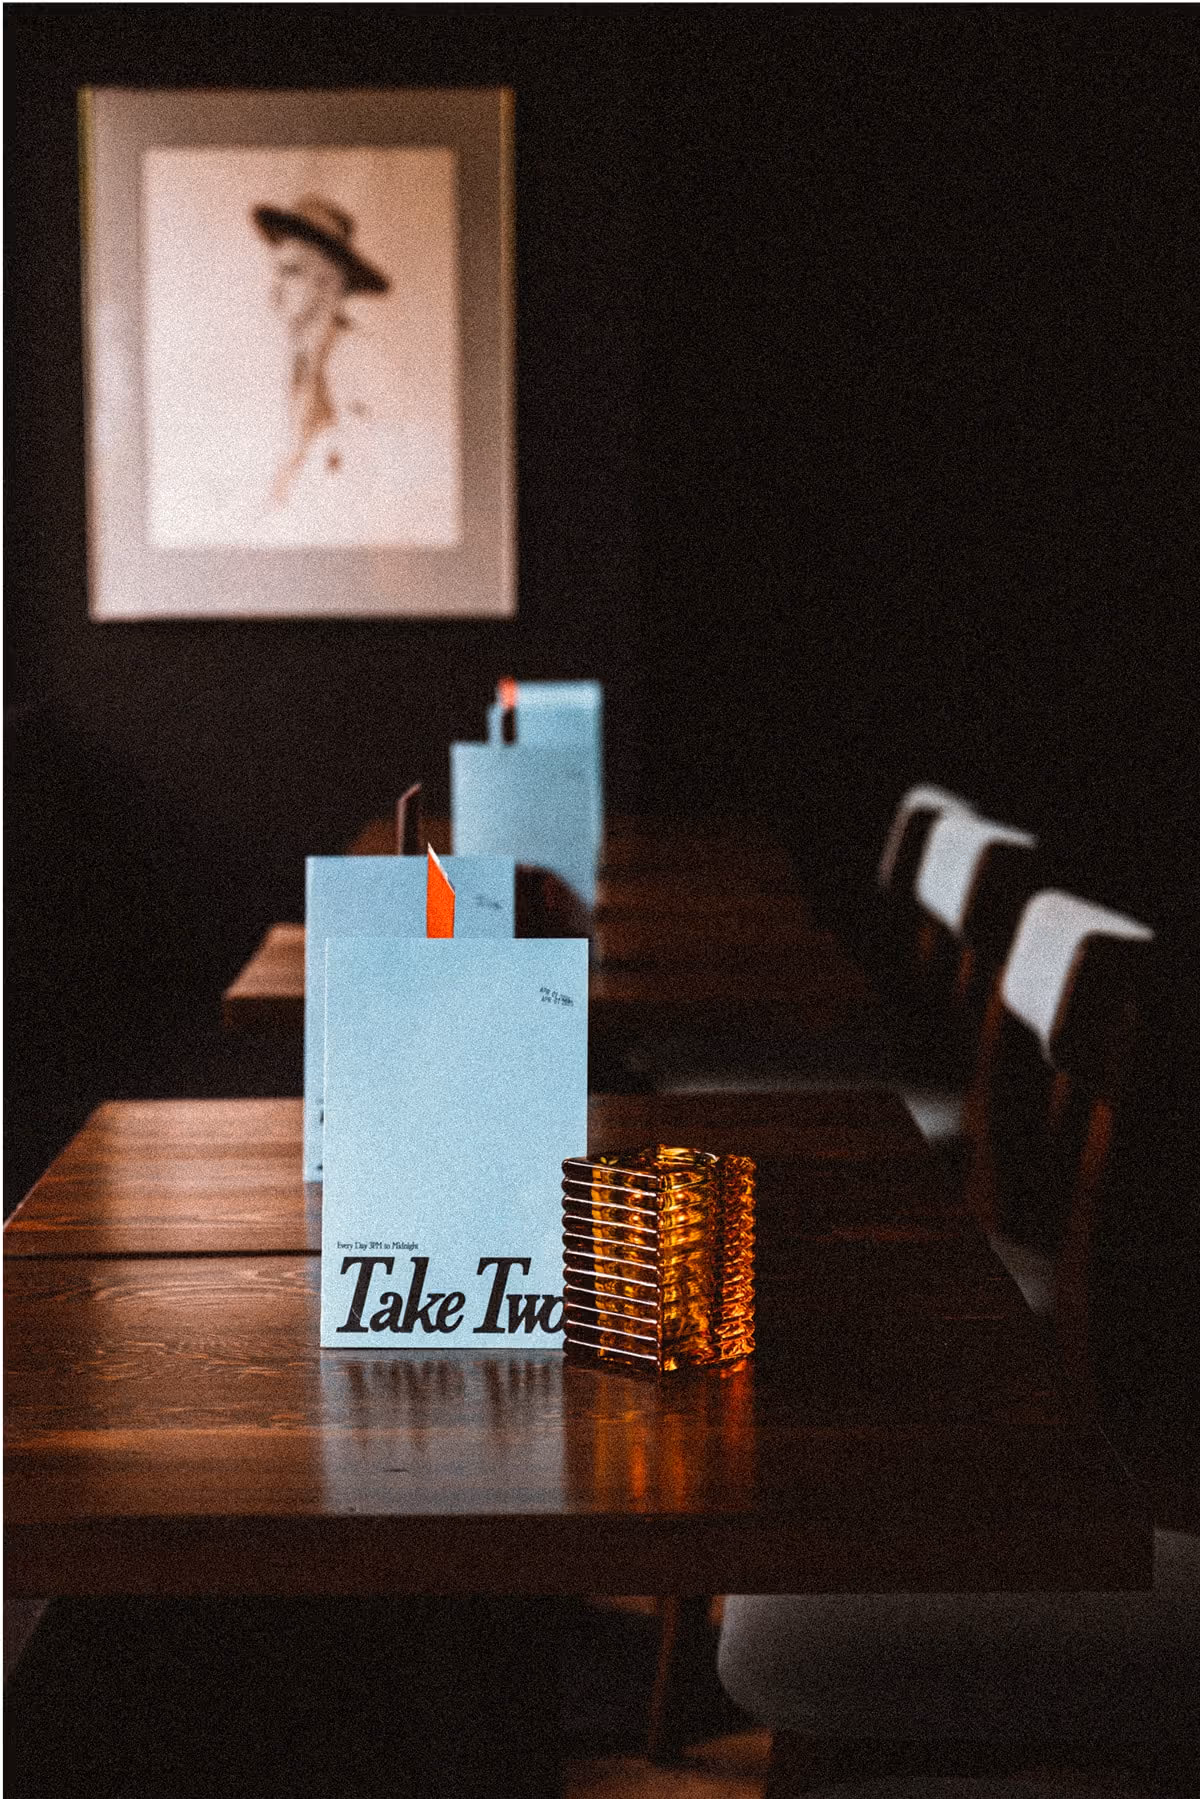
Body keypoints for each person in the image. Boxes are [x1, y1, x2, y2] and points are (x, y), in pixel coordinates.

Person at [250, 193, 457, 544]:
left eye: (291, 272)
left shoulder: (360, 361)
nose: (275, 288)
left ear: (329, 283)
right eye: (275, 270)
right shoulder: (298, 361)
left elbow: (370, 486)